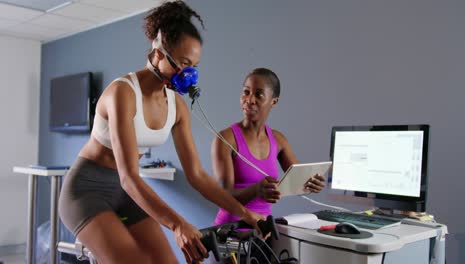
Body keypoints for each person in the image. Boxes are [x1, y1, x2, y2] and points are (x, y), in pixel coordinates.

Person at [58, 2, 264, 263]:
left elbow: (197, 175)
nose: (188, 74)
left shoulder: (177, 107)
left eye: (194, 66)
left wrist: (244, 214)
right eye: (183, 63)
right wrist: (178, 225)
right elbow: (129, 177)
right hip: (87, 189)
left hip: (125, 192)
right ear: (157, 53)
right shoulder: (123, 93)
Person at [212, 68, 326, 227]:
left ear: (273, 101)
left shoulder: (279, 140)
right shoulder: (225, 138)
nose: (249, 99)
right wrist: (256, 190)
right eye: (246, 92)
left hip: (264, 230)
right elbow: (225, 197)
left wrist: (313, 184)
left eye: (258, 94)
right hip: (231, 230)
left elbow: (299, 179)